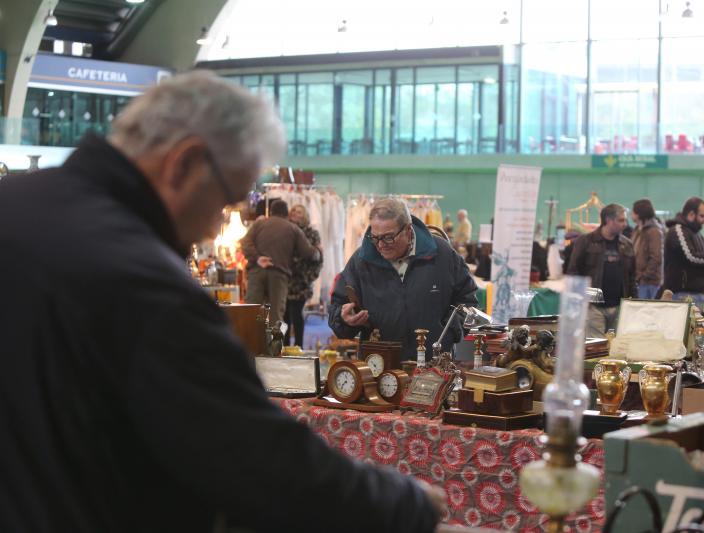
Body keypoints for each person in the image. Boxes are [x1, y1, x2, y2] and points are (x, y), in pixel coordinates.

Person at [0, 71, 443, 532]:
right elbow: (256, 460)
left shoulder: (14, 207)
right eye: (226, 200)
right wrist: (404, 502)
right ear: (186, 163)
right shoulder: (144, 282)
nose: (217, 227)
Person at [329, 197, 478, 360]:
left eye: (388, 237)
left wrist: (447, 333)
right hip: (379, 368)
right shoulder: (361, 261)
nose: (380, 245)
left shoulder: (441, 254)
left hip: (435, 367)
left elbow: (468, 300)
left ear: (408, 230)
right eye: (375, 237)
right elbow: (337, 306)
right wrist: (344, 319)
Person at [241, 198, 319, 324]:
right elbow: (308, 252)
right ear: (286, 213)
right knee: (276, 317)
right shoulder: (293, 229)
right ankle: (273, 343)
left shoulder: (259, 224)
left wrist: (257, 258)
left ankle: (250, 343)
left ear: (271, 211)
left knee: (251, 312)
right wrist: (318, 251)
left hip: (256, 272)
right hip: (279, 276)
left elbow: (245, 243)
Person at [566, 204, 636, 338]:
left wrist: (633, 304)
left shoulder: (627, 244)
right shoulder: (585, 241)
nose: (625, 224)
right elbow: (573, 273)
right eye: (621, 220)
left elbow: (632, 277)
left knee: (616, 351)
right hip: (593, 308)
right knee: (595, 351)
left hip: (619, 307)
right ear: (609, 220)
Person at [284, 204, 323, 347]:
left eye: (299, 212)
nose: (295, 213)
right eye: (293, 211)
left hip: (302, 280)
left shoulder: (312, 233)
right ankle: (284, 344)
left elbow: (319, 257)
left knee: (296, 314)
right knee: (284, 316)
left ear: (305, 215)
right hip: (285, 279)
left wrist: (310, 276)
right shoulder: (285, 230)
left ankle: (298, 346)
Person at [631, 199, 663, 299]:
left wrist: (643, 276)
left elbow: (656, 257)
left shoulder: (654, 231)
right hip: (639, 281)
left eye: (633, 211)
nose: (631, 214)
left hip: (650, 283)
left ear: (639, 214)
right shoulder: (637, 229)